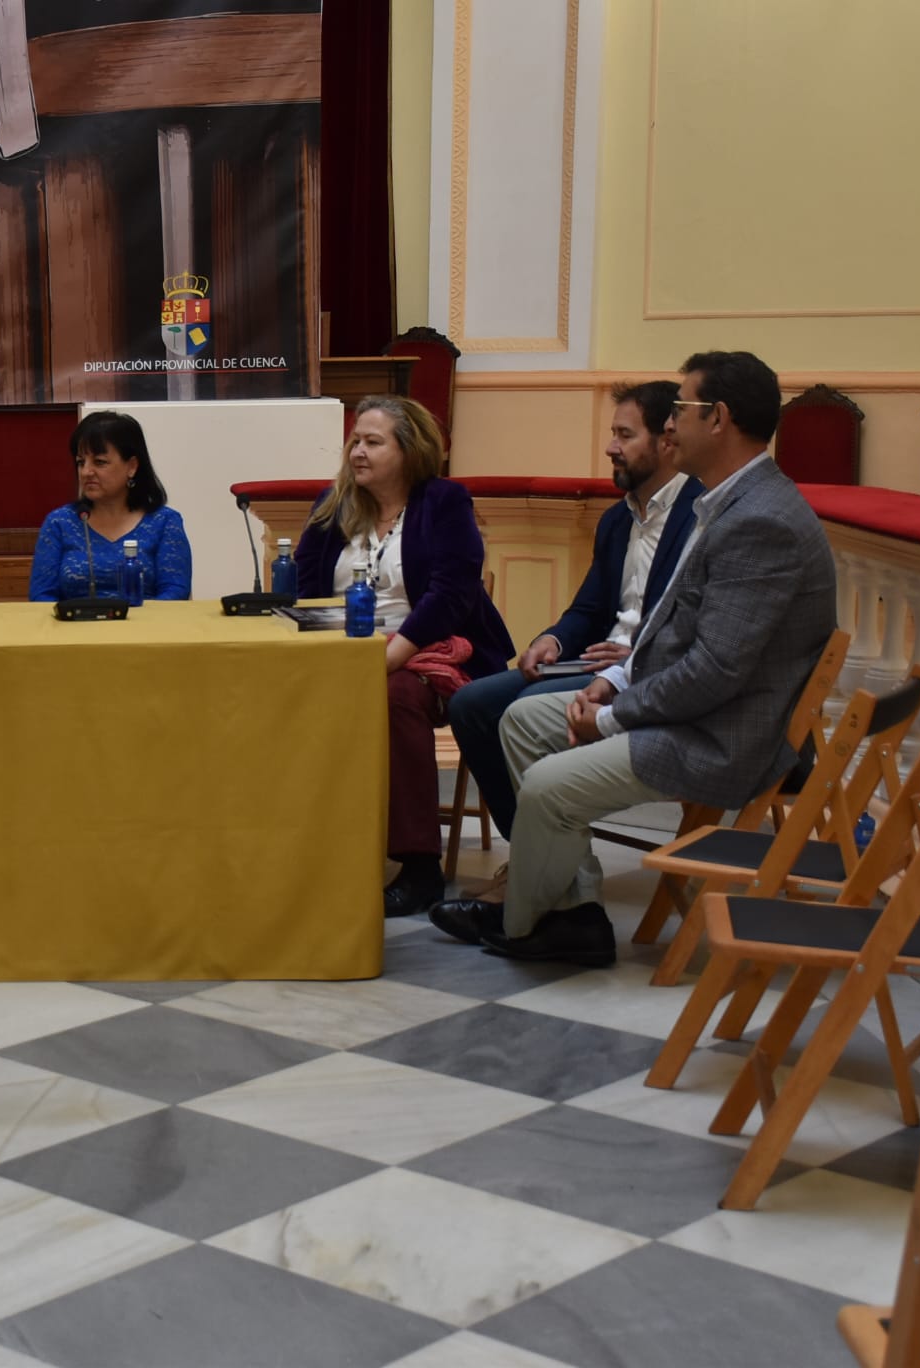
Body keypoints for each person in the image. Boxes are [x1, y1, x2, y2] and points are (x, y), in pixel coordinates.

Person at [430, 351, 838, 967]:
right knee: (522, 721)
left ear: (718, 418)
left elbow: (715, 671)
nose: (671, 425)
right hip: (690, 709)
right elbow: (671, 627)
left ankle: (529, 922)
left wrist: (612, 715)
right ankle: (575, 912)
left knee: (546, 785)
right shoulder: (728, 501)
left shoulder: (760, 521)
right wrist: (616, 679)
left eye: (681, 409)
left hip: (718, 737)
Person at [446, 381, 701, 845]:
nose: (610, 448)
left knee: (523, 709)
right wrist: (553, 640)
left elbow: (697, 624)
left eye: (625, 435)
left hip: (650, 672)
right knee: (471, 704)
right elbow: (588, 608)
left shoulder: (701, 515)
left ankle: (548, 861)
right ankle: (530, 848)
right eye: (613, 434)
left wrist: (635, 657)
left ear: (666, 441)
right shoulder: (617, 519)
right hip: (594, 662)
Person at [292, 396, 515, 919]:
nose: (358, 452)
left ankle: (419, 867)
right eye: (355, 441)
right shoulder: (333, 504)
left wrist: (389, 657)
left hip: (430, 649)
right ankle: (301, 845)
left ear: (409, 450)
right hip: (342, 650)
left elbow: (451, 596)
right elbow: (305, 590)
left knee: (393, 696)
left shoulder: (444, 502)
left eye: (373, 442)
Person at [28, 410, 192, 601]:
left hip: (145, 619)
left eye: (99, 462)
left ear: (132, 467)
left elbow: (175, 592)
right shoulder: (59, 523)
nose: (86, 472)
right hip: (75, 619)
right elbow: (41, 596)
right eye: (81, 462)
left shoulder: (164, 522)